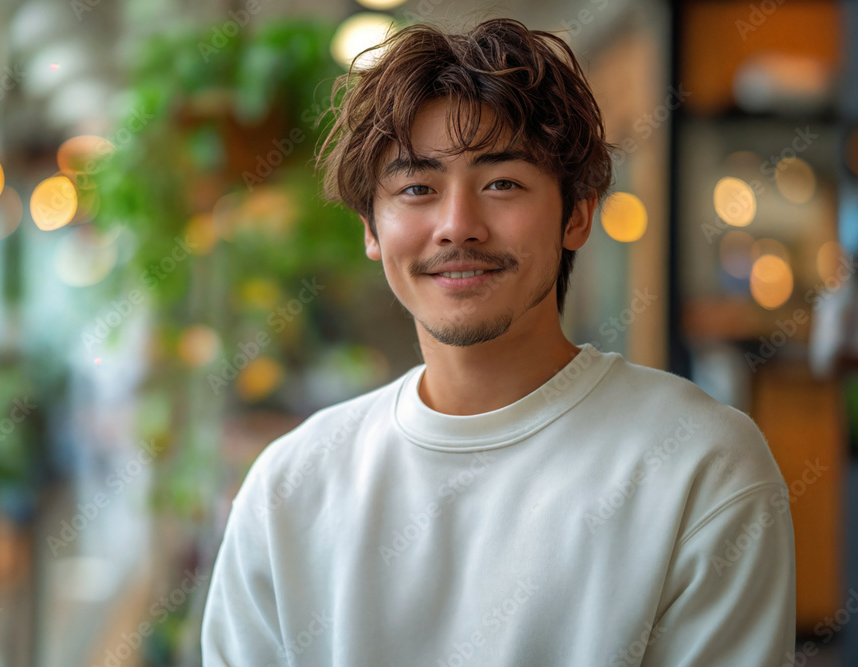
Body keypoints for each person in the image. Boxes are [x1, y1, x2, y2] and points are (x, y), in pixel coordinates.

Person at [201, 17, 795, 666]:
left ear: (577, 212)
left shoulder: (700, 467)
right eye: (417, 188)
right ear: (371, 227)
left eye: (502, 183)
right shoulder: (291, 487)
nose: (458, 226)